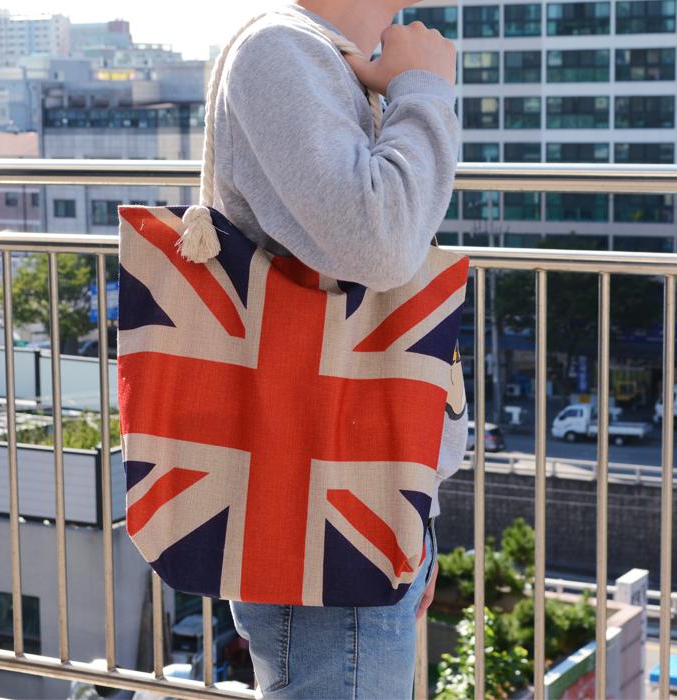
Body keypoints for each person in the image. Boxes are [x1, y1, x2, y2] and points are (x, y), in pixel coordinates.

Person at [211, 1, 465, 697]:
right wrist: (422, 91)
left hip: (356, 495)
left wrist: (418, 516)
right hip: (323, 506)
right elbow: (379, 245)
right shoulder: (279, 50)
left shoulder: (309, 56)